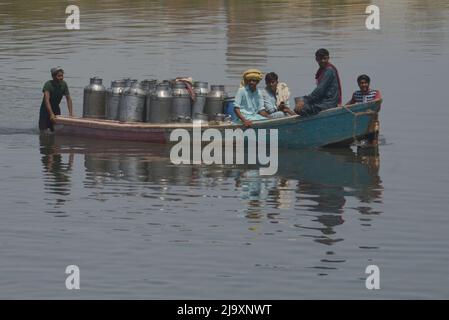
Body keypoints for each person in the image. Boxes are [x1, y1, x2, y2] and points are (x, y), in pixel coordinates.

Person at [295, 48, 342, 116]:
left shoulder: (329, 70)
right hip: (323, 100)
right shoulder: (322, 70)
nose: (323, 61)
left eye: (325, 58)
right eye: (320, 59)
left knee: (302, 107)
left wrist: (305, 101)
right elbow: (319, 92)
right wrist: (304, 100)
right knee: (299, 100)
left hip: (329, 102)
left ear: (328, 58)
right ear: (316, 59)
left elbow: (320, 90)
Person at [39, 67, 73, 132]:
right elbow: (47, 100)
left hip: (56, 109)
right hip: (45, 110)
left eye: (62, 76)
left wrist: (71, 114)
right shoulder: (48, 84)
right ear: (53, 76)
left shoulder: (64, 84)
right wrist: (51, 114)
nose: (61, 78)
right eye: (59, 76)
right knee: (43, 131)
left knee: (55, 130)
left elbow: (68, 99)